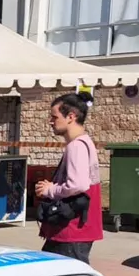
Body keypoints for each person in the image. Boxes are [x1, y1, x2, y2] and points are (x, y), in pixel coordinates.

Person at [35, 91, 102, 263]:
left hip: (72, 228)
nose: (51, 121)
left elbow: (77, 185)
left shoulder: (76, 146)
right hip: (78, 228)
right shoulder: (85, 142)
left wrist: (51, 189)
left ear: (71, 117)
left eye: (54, 117)